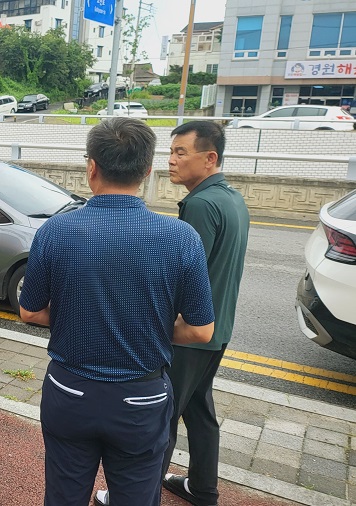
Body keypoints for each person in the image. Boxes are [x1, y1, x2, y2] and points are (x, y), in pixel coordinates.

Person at [19, 117, 216, 506]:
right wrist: (152, 328)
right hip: (141, 400)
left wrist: (80, 319)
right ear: (146, 171)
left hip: (69, 391)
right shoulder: (180, 238)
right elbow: (201, 331)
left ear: (91, 167)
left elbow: (30, 312)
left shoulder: (55, 232)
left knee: (63, 495)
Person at [160, 121, 250, 506]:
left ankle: (137, 494)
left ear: (209, 158)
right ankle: (202, 489)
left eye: (182, 152)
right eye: (171, 151)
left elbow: (185, 277)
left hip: (191, 333)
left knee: (162, 417)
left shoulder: (199, 204)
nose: (172, 160)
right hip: (219, 329)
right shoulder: (232, 198)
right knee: (199, 412)